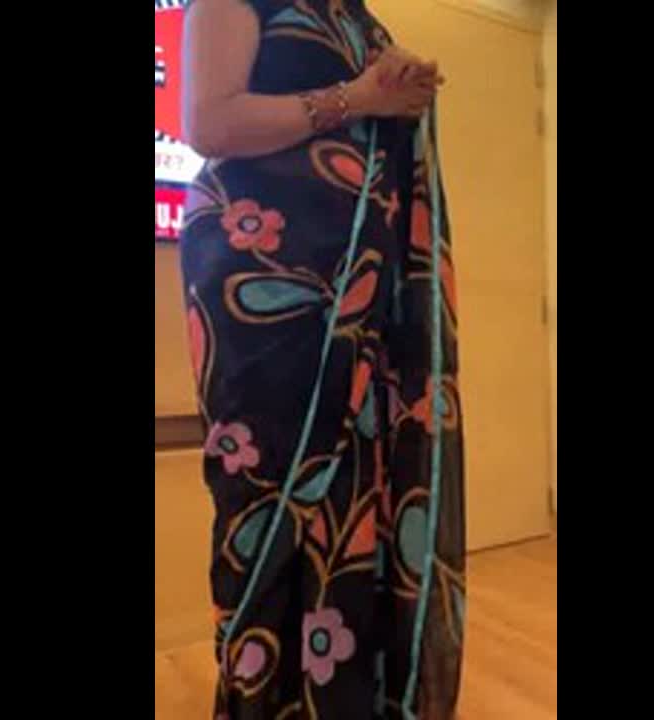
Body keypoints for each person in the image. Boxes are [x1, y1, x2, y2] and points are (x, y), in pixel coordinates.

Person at [179, 1, 465, 717]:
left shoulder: (358, 17)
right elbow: (208, 123)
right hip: (269, 294)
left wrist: (402, 89)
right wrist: (358, 98)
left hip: (364, 299)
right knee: (273, 492)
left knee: (362, 495)